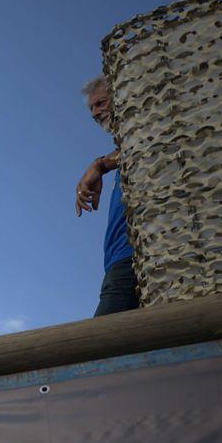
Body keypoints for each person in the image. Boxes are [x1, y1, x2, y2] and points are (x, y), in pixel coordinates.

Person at [76, 75, 138, 316]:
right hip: (118, 262)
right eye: (91, 108)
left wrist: (100, 165)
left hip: (129, 260)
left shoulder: (140, 139)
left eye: (100, 103)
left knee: (102, 338)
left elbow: (140, 143)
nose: (95, 113)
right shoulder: (125, 154)